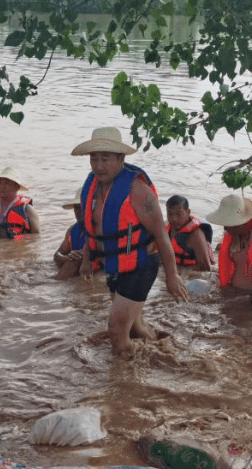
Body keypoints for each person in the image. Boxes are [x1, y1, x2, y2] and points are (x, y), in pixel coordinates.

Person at [72, 127, 188, 357]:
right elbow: (94, 228)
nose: (98, 166)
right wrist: (87, 258)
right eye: (94, 159)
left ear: (120, 158)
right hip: (114, 266)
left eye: (105, 159)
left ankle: (124, 383)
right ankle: (163, 353)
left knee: (116, 331)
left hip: (140, 266)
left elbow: (162, 236)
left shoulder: (139, 191)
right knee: (134, 328)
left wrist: (172, 276)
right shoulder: (92, 187)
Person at [53, 188, 97, 279]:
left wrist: (84, 256)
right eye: (76, 208)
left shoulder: (103, 230)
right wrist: (67, 257)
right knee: (72, 261)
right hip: (76, 267)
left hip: (96, 270)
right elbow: (57, 254)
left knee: (73, 262)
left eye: (82, 207)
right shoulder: (72, 230)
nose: (78, 211)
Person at [164, 195, 214, 272]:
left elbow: (206, 268)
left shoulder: (196, 235)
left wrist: (176, 270)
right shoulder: (166, 229)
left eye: (179, 214)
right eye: (170, 214)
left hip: (192, 276)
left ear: (188, 212)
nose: (174, 219)